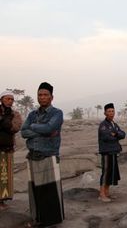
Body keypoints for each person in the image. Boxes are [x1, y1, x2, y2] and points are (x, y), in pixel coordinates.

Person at [20, 82, 64, 227]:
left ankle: (50, 221)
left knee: (49, 191)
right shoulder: (32, 114)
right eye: (40, 95)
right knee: (35, 191)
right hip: (33, 155)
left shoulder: (57, 113)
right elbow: (23, 132)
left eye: (45, 95)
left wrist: (33, 127)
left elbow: (51, 127)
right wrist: (42, 129)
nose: (42, 97)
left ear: (52, 97)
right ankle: (38, 218)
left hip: (48, 155)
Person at [98, 103, 126, 202]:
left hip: (114, 151)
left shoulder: (114, 124)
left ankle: (107, 192)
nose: (111, 113)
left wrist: (116, 134)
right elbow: (106, 137)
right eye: (109, 111)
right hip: (106, 152)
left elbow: (123, 134)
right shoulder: (103, 125)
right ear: (105, 113)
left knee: (111, 173)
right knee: (105, 173)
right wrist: (115, 135)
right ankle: (101, 194)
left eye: (112, 111)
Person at [0, 91, 22, 210]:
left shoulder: (15, 114)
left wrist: (5, 122)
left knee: (5, 176)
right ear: (1, 99)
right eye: (7, 99)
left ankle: (2, 201)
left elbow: (16, 128)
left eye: (11, 99)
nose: (10, 101)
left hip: (7, 148)